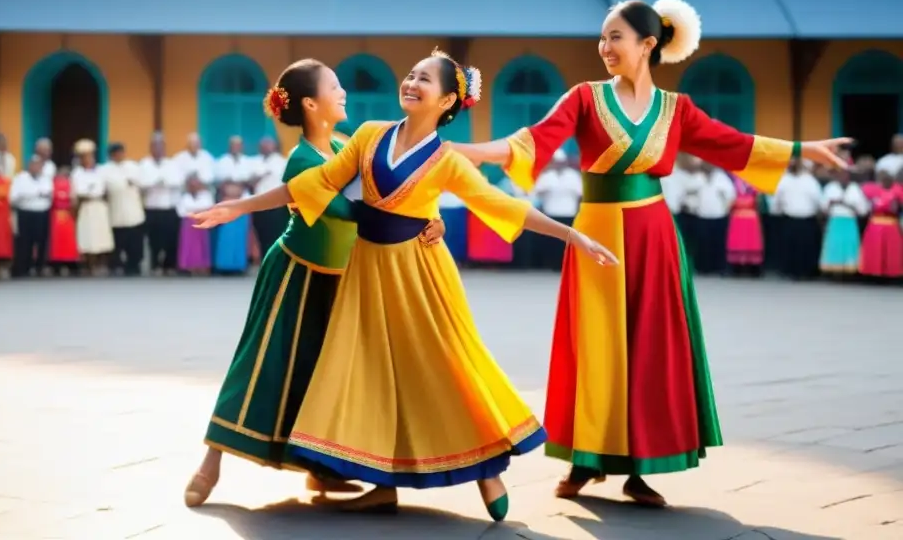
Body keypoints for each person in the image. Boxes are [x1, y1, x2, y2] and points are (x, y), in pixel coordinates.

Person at [451, 0, 850, 507]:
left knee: (651, 346)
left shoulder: (676, 108)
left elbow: (733, 145)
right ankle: (586, 459)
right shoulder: (584, 98)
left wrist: (802, 150)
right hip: (596, 233)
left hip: (655, 235)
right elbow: (528, 143)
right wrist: (462, 151)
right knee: (595, 344)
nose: (604, 47)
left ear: (648, 44)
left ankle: (643, 467)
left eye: (615, 37)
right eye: (602, 37)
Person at [191, 51, 618, 520]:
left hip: (417, 274)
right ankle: (378, 482)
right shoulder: (370, 134)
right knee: (368, 375)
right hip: (365, 274)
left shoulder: (447, 159)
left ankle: (487, 468)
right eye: (411, 74)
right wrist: (240, 207)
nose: (412, 82)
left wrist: (571, 234)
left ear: (448, 100)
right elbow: (316, 184)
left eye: (425, 80)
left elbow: (501, 205)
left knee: (443, 365)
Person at [184, 60, 449, 507]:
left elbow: (399, 189)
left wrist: (432, 216)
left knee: (324, 377)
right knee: (259, 365)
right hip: (295, 275)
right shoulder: (302, 159)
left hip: (341, 279)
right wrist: (240, 207)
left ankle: (320, 469)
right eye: (335, 86)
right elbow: (337, 205)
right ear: (311, 104)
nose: (344, 92)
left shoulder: (347, 146)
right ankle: (209, 465)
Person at [139, 134, 183, 276]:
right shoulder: (144, 163)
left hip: (168, 206)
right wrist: (155, 183)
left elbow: (178, 181)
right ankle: (155, 265)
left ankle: (169, 265)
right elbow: (142, 183)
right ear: (151, 148)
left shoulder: (172, 163)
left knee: (171, 238)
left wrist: (164, 183)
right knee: (153, 239)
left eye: (160, 146)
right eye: (155, 146)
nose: (158, 149)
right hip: (151, 206)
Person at [102, 142, 146, 277]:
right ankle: (117, 266)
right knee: (117, 243)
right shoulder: (105, 170)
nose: (119, 155)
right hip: (116, 213)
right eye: (116, 153)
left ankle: (134, 265)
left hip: (134, 213)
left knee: (136, 244)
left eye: (121, 152)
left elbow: (142, 185)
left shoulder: (133, 167)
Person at [71, 140, 114, 275]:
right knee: (87, 236)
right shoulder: (77, 173)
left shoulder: (101, 171)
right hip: (86, 207)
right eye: (84, 157)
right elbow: (77, 192)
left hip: (99, 206)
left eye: (90, 156)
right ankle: (89, 265)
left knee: (101, 236)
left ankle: (102, 264)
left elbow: (106, 189)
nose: (88, 159)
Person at [819, 168, 868, 278]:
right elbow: (823, 206)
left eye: (845, 174)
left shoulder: (855, 188)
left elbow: (863, 209)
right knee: (834, 245)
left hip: (849, 220)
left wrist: (849, 205)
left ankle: (849, 272)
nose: (842, 177)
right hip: (835, 220)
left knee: (849, 245)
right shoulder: (831, 187)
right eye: (840, 174)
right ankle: (834, 272)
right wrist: (832, 203)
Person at [10, 155, 53, 277]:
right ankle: (23, 268)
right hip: (25, 212)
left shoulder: (45, 179)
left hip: (42, 212)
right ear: (29, 165)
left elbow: (48, 194)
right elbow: (14, 197)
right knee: (24, 242)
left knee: (42, 241)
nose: (36, 167)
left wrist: (33, 195)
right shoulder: (20, 178)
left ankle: (40, 267)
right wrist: (34, 194)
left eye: (39, 165)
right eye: (34, 164)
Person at [859, 170, 903, 279]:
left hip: (891, 223)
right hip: (875, 224)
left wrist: (896, 206)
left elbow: (897, 208)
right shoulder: (873, 190)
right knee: (876, 250)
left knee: (891, 251)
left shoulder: (898, 191)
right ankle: (874, 273)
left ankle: (891, 274)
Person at [726, 176, 764, 276]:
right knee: (737, 241)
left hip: (751, 216)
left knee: (751, 241)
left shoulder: (754, 182)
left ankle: (752, 267)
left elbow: (759, 200)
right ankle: (737, 267)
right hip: (737, 216)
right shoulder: (733, 181)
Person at [176, 176, 214, 276]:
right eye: (191, 185)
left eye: (195, 184)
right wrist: (196, 211)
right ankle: (189, 267)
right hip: (188, 224)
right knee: (189, 246)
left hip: (202, 222)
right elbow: (181, 211)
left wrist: (194, 211)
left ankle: (202, 267)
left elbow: (209, 207)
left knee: (202, 245)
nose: (193, 186)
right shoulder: (184, 196)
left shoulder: (206, 195)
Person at [48, 164, 79, 275]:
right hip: (56, 214)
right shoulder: (52, 183)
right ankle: (56, 264)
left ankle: (69, 263)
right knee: (56, 240)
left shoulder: (71, 184)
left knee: (68, 240)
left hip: (68, 214)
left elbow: (73, 200)